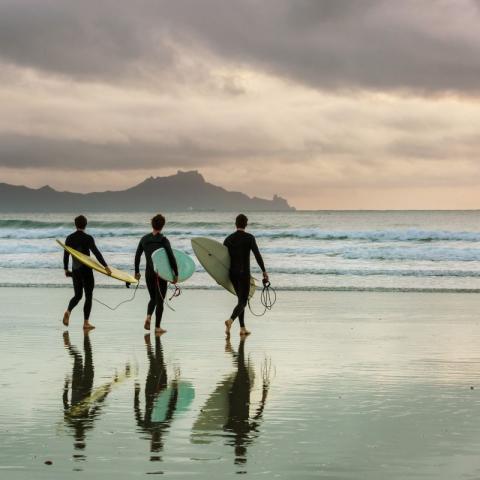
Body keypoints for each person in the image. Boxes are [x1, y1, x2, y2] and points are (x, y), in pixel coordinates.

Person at [63, 215, 111, 330]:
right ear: (86, 225)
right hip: (86, 270)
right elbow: (96, 253)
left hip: (75, 270)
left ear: (75, 224)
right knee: (88, 296)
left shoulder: (69, 238)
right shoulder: (88, 238)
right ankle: (86, 323)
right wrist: (106, 266)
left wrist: (65, 269)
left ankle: (68, 312)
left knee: (78, 295)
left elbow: (66, 255)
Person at [223, 214, 269, 337]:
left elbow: (222, 259)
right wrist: (264, 271)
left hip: (232, 274)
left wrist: (221, 276)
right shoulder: (249, 238)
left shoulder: (228, 239)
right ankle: (230, 320)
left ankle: (242, 328)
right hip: (244, 274)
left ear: (235, 224)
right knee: (243, 302)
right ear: (246, 224)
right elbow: (257, 255)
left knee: (240, 300)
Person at [134, 214, 178, 335]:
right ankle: (157, 327)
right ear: (162, 226)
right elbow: (171, 256)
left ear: (152, 224)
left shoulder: (144, 239)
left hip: (148, 273)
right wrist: (176, 273)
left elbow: (137, 256)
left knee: (153, 298)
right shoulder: (163, 240)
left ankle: (148, 316)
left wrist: (136, 271)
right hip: (160, 274)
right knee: (160, 300)